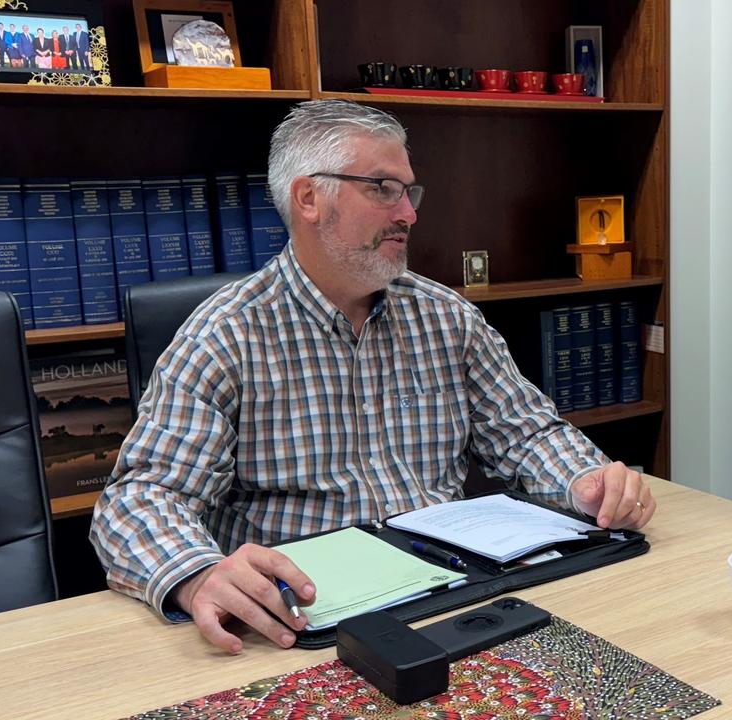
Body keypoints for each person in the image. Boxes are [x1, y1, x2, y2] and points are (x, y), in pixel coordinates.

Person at [90, 100, 658, 655]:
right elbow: (139, 498)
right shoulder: (227, 334)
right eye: (382, 189)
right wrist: (198, 575)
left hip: (457, 598)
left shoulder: (444, 316)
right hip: (308, 626)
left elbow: (527, 435)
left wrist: (585, 480)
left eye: (409, 192)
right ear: (310, 198)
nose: (408, 213)